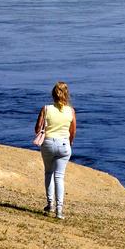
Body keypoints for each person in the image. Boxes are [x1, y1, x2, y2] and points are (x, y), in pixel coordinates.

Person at [35, 81, 76, 219]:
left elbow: (37, 129)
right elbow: (73, 131)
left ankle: (50, 204)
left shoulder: (46, 109)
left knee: (48, 173)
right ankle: (59, 210)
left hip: (48, 143)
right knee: (59, 177)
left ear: (53, 94)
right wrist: (69, 143)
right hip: (64, 145)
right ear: (66, 95)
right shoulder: (71, 111)